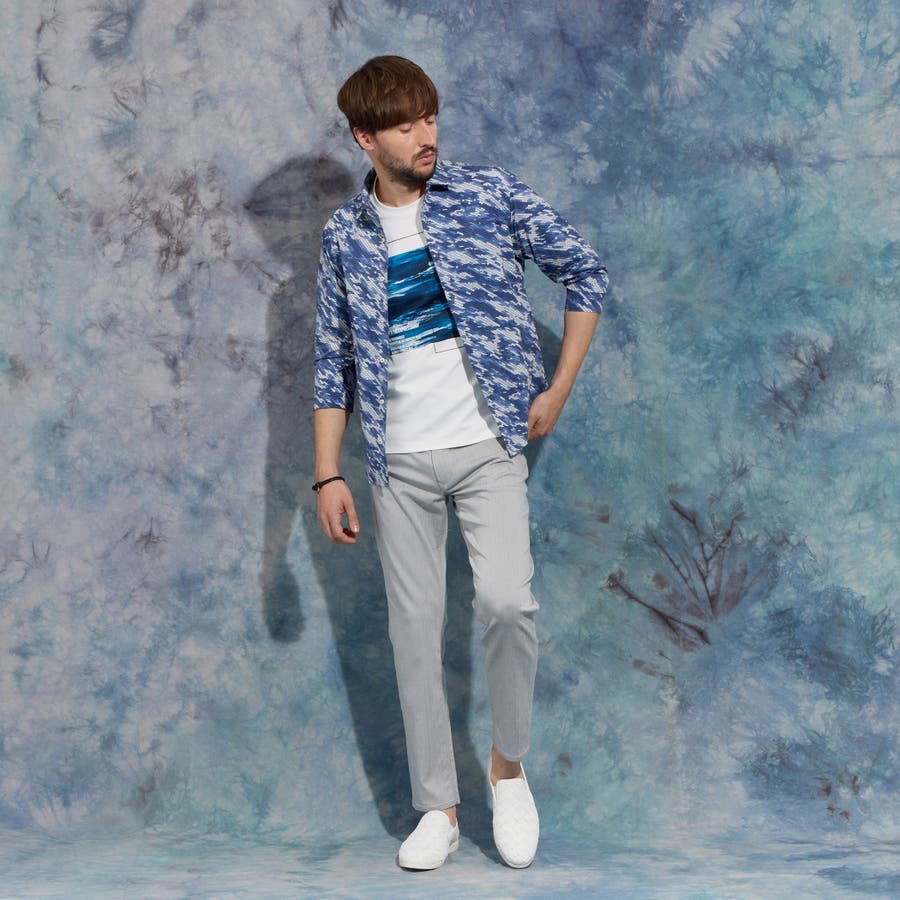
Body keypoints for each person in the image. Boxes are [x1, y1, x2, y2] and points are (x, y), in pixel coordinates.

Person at [312, 55, 608, 870]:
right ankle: (437, 808)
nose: (426, 134)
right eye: (405, 124)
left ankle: (508, 771)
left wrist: (559, 386)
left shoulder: (487, 195)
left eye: (431, 117)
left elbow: (584, 271)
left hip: (487, 447)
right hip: (398, 461)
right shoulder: (344, 235)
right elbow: (332, 361)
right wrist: (328, 473)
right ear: (365, 138)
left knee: (509, 604)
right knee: (413, 634)